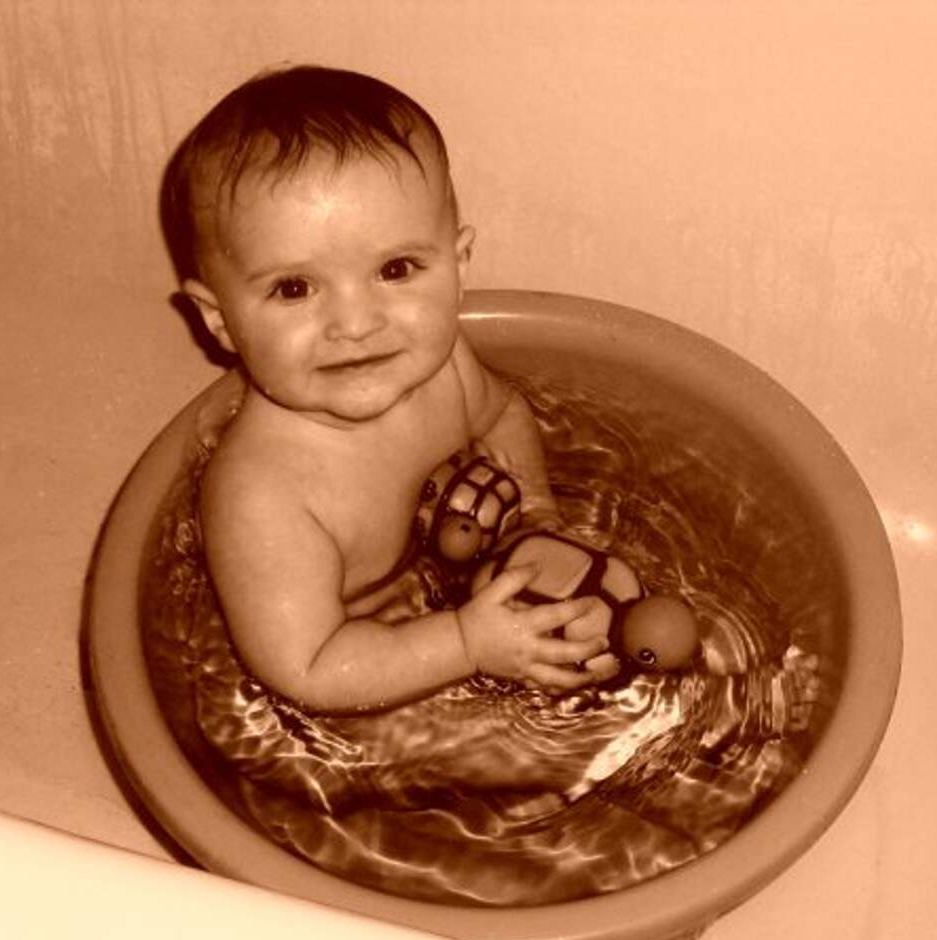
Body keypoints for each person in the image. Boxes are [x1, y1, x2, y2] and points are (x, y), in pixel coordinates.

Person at [160, 65, 609, 713]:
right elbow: (309, 670)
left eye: (396, 269)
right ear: (219, 320)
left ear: (458, 266)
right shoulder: (262, 493)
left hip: (440, 589)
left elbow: (501, 413)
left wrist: (536, 515)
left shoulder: (446, 365)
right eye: (294, 288)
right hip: (355, 661)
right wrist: (465, 643)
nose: (356, 324)